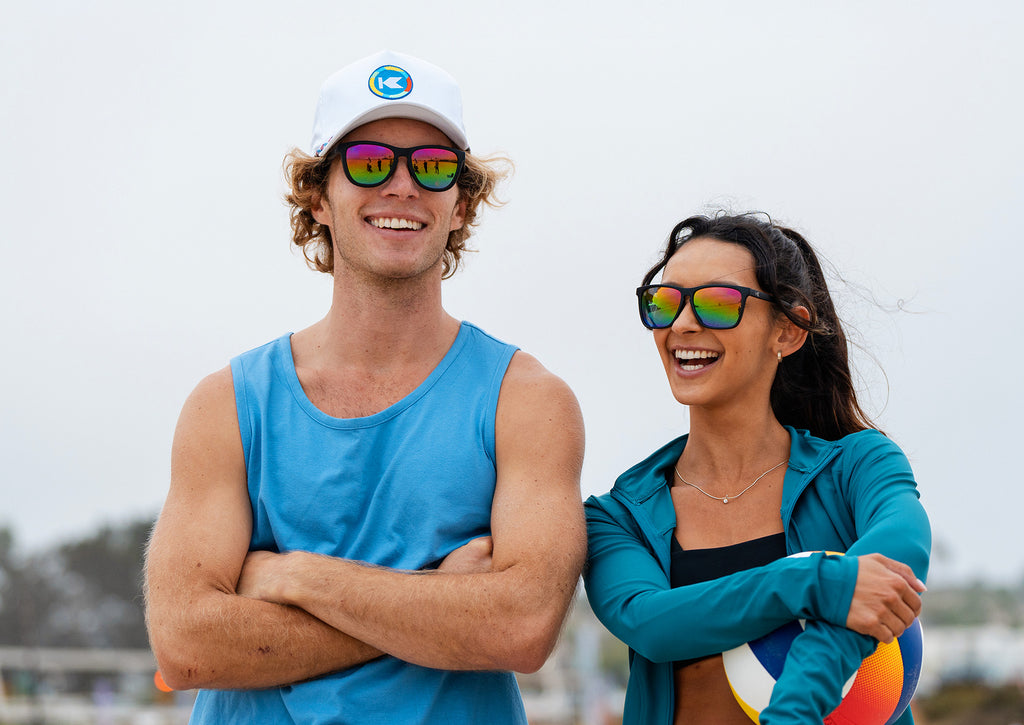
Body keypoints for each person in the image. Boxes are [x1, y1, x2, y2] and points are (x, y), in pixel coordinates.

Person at [144, 50, 586, 725]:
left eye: (433, 167)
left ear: (461, 203)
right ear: (317, 196)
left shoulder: (527, 401)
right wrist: (438, 605)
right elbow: (186, 646)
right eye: (370, 162)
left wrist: (296, 578)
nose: (403, 187)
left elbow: (520, 626)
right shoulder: (226, 405)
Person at [583, 213, 930, 724]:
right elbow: (652, 624)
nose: (681, 324)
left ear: (787, 331)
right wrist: (813, 581)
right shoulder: (619, 516)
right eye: (665, 301)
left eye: (718, 303)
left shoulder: (860, 466)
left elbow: (898, 560)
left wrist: (794, 711)